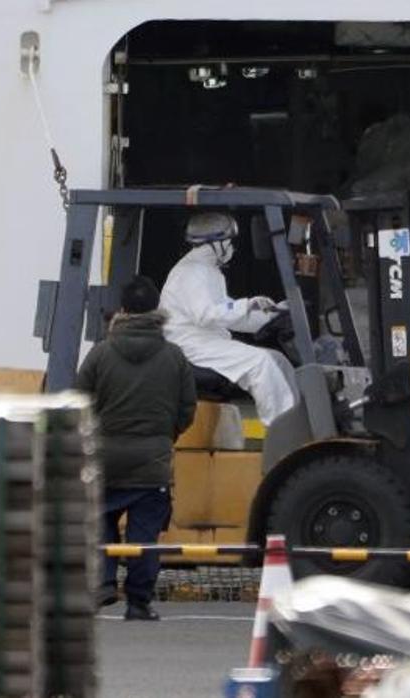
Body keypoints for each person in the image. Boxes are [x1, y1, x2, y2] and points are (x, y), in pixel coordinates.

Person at [75, 276, 196, 621]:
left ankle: (104, 582)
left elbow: (78, 402)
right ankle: (139, 602)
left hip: (105, 459)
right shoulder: (174, 357)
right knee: (145, 535)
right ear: (158, 311)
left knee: (101, 521)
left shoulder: (100, 353)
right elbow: (187, 407)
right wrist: (165, 436)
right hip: (152, 462)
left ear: (123, 310)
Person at [160, 211, 299, 425]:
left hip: (208, 342)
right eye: (229, 242)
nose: (232, 247)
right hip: (191, 347)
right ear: (216, 244)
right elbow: (206, 315)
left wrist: (268, 316)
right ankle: (282, 429)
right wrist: (246, 304)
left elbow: (226, 316)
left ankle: (297, 418)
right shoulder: (191, 273)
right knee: (260, 363)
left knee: (277, 359)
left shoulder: (208, 270)